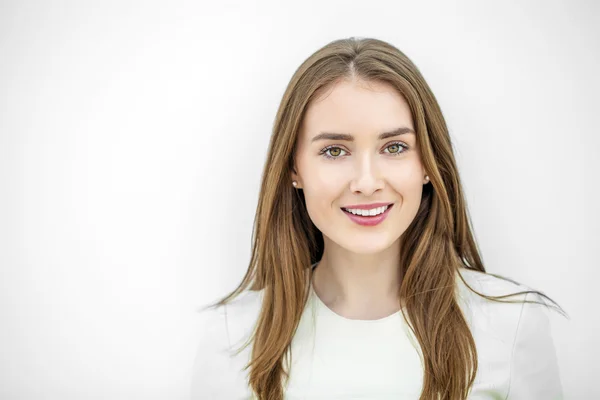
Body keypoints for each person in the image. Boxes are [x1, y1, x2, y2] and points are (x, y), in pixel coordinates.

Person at [190, 37, 567, 400]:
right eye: (335, 151)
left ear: (427, 165)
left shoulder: (513, 324)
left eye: (395, 147)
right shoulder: (231, 337)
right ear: (294, 169)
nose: (367, 183)